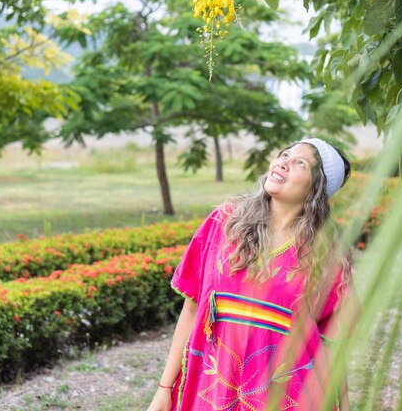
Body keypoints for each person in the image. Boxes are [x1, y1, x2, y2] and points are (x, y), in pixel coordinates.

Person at [147, 138, 355, 411]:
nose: (283, 162)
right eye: (284, 154)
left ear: (316, 188)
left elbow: (330, 347)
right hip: (210, 390)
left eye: (299, 163)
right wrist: (164, 389)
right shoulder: (224, 223)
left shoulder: (326, 257)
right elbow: (192, 310)